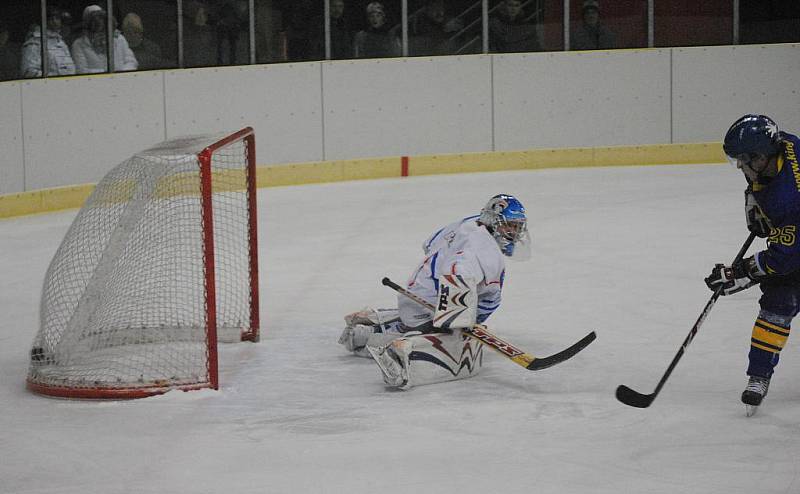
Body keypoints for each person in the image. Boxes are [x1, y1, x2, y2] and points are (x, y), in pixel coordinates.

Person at [339, 194, 531, 389]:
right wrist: (456, 319)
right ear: (493, 221)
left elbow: (429, 244)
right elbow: (457, 273)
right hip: (432, 304)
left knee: (419, 320)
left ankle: (367, 331)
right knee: (453, 341)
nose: (513, 233)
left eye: (517, 227)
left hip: (415, 293)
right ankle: (402, 351)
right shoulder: (485, 252)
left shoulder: (469, 223)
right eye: (509, 226)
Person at [705, 114, 800, 415]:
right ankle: (758, 376)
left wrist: (739, 273)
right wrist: (754, 200)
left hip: (793, 247)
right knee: (775, 306)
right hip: (794, 241)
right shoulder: (783, 146)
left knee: (781, 300)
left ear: (760, 157)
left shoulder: (789, 197)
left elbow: (783, 259)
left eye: (743, 160)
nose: (740, 167)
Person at [71, 6, 138, 74]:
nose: (105, 39)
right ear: (89, 32)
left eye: (108, 33)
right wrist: (107, 73)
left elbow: (132, 62)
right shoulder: (78, 45)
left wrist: (119, 74)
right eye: (100, 33)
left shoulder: (120, 39)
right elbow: (82, 71)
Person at [19, 6, 75, 78]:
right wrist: (54, 80)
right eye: (51, 19)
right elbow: (28, 72)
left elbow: (70, 68)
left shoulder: (61, 42)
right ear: (43, 21)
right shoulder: (34, 43)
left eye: (57, 18)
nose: (55, 21)